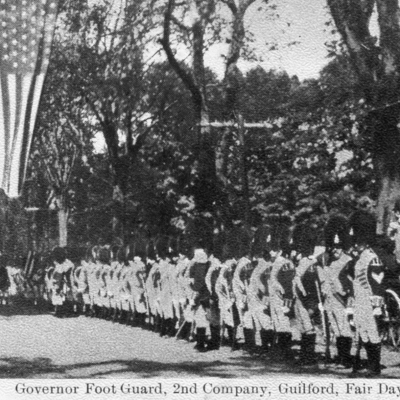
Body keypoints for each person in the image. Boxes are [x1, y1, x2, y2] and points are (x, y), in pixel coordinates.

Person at [349, 210, 385, 377]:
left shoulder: (372, 258)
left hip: (369, 301)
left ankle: (374, 366)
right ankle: (365, 364)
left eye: (358, 241)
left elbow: (377, 283)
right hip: (359, 300)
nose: (356, 244)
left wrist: (377, 305)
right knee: (361, 330)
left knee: (372, 332)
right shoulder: (359, 258)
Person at [319, 215, 354, 368]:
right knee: (335, 328)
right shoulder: (329, 261)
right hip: (329, 300)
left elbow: (351, 281)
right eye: (333, 247)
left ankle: (346, 359)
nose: (336, 250)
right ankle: (340, 357)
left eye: (339, 247)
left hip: (341, 299)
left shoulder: (349, 261)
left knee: (343, 328)